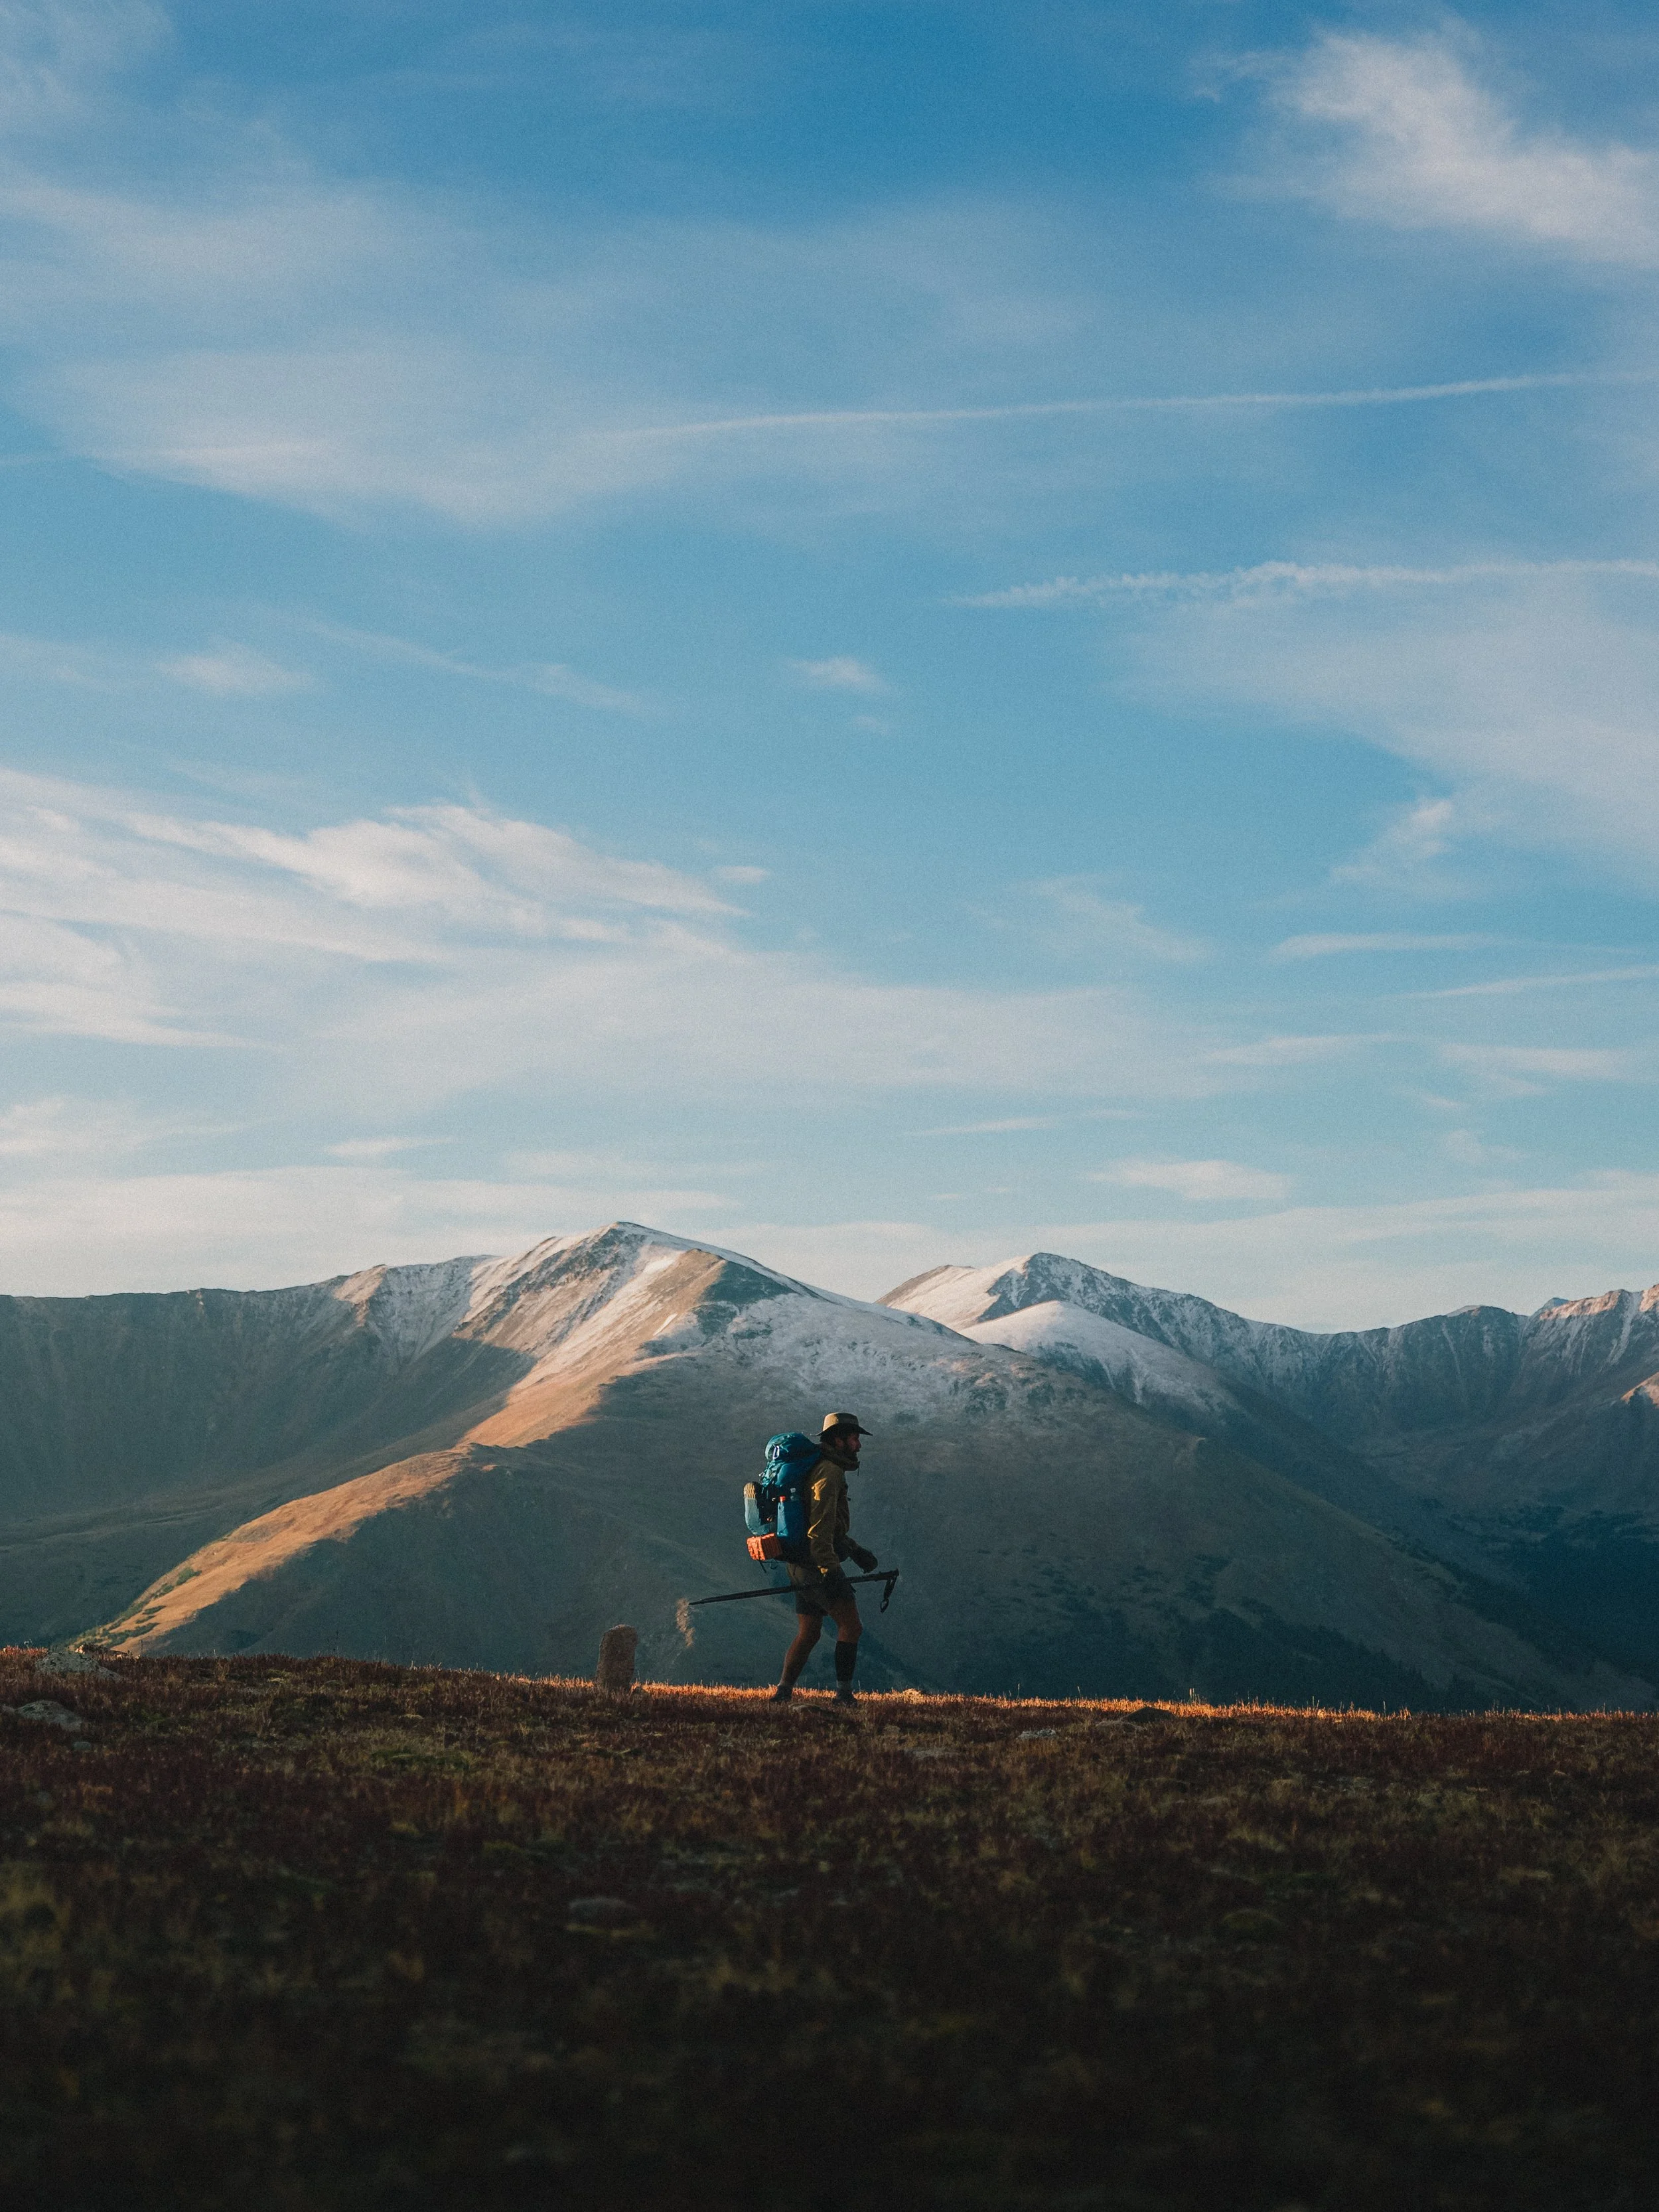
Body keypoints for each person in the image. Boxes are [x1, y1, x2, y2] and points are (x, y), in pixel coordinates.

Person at [770, 1413, 879, 1705]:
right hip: (816, 1564)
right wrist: (830, 1570)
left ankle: (783, 1692)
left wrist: (855, 1551)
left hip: (798, 1564)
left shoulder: (817, 1468)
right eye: (855, 1438)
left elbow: (823, 1526)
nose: (858, 1445)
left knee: (809, 1632)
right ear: (838, 1439)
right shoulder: (829, 1472)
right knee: (851, 1627)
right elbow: (820, 1530)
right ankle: (843, 1695)